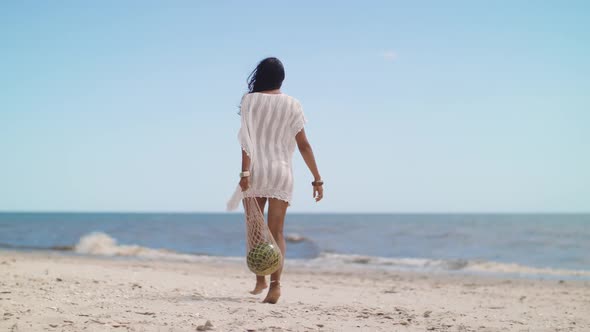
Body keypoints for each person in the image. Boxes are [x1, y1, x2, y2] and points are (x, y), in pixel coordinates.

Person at [226, 57, 323, 304]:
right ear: (282, 78)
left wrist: (244, 174)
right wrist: (317, 178)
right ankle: (274, 286)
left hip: (256, 171)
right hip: (282, 173)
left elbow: (246, 143)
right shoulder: (293, 104)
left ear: (259, 76)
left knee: (255, 228)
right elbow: (304, 145)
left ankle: (260, 276)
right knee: (277, 231)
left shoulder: (249, 101)